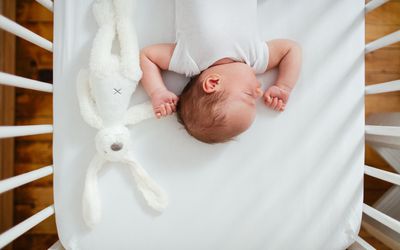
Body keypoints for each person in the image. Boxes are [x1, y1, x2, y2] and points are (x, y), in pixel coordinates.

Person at [140, 0, 302, 144]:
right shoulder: (255, 59)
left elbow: (147, 57)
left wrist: (157, 91)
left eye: (248, 95)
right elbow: (291, 49)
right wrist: (283, 86)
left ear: (213, 83)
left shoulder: (189, 60)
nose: (259, 92)